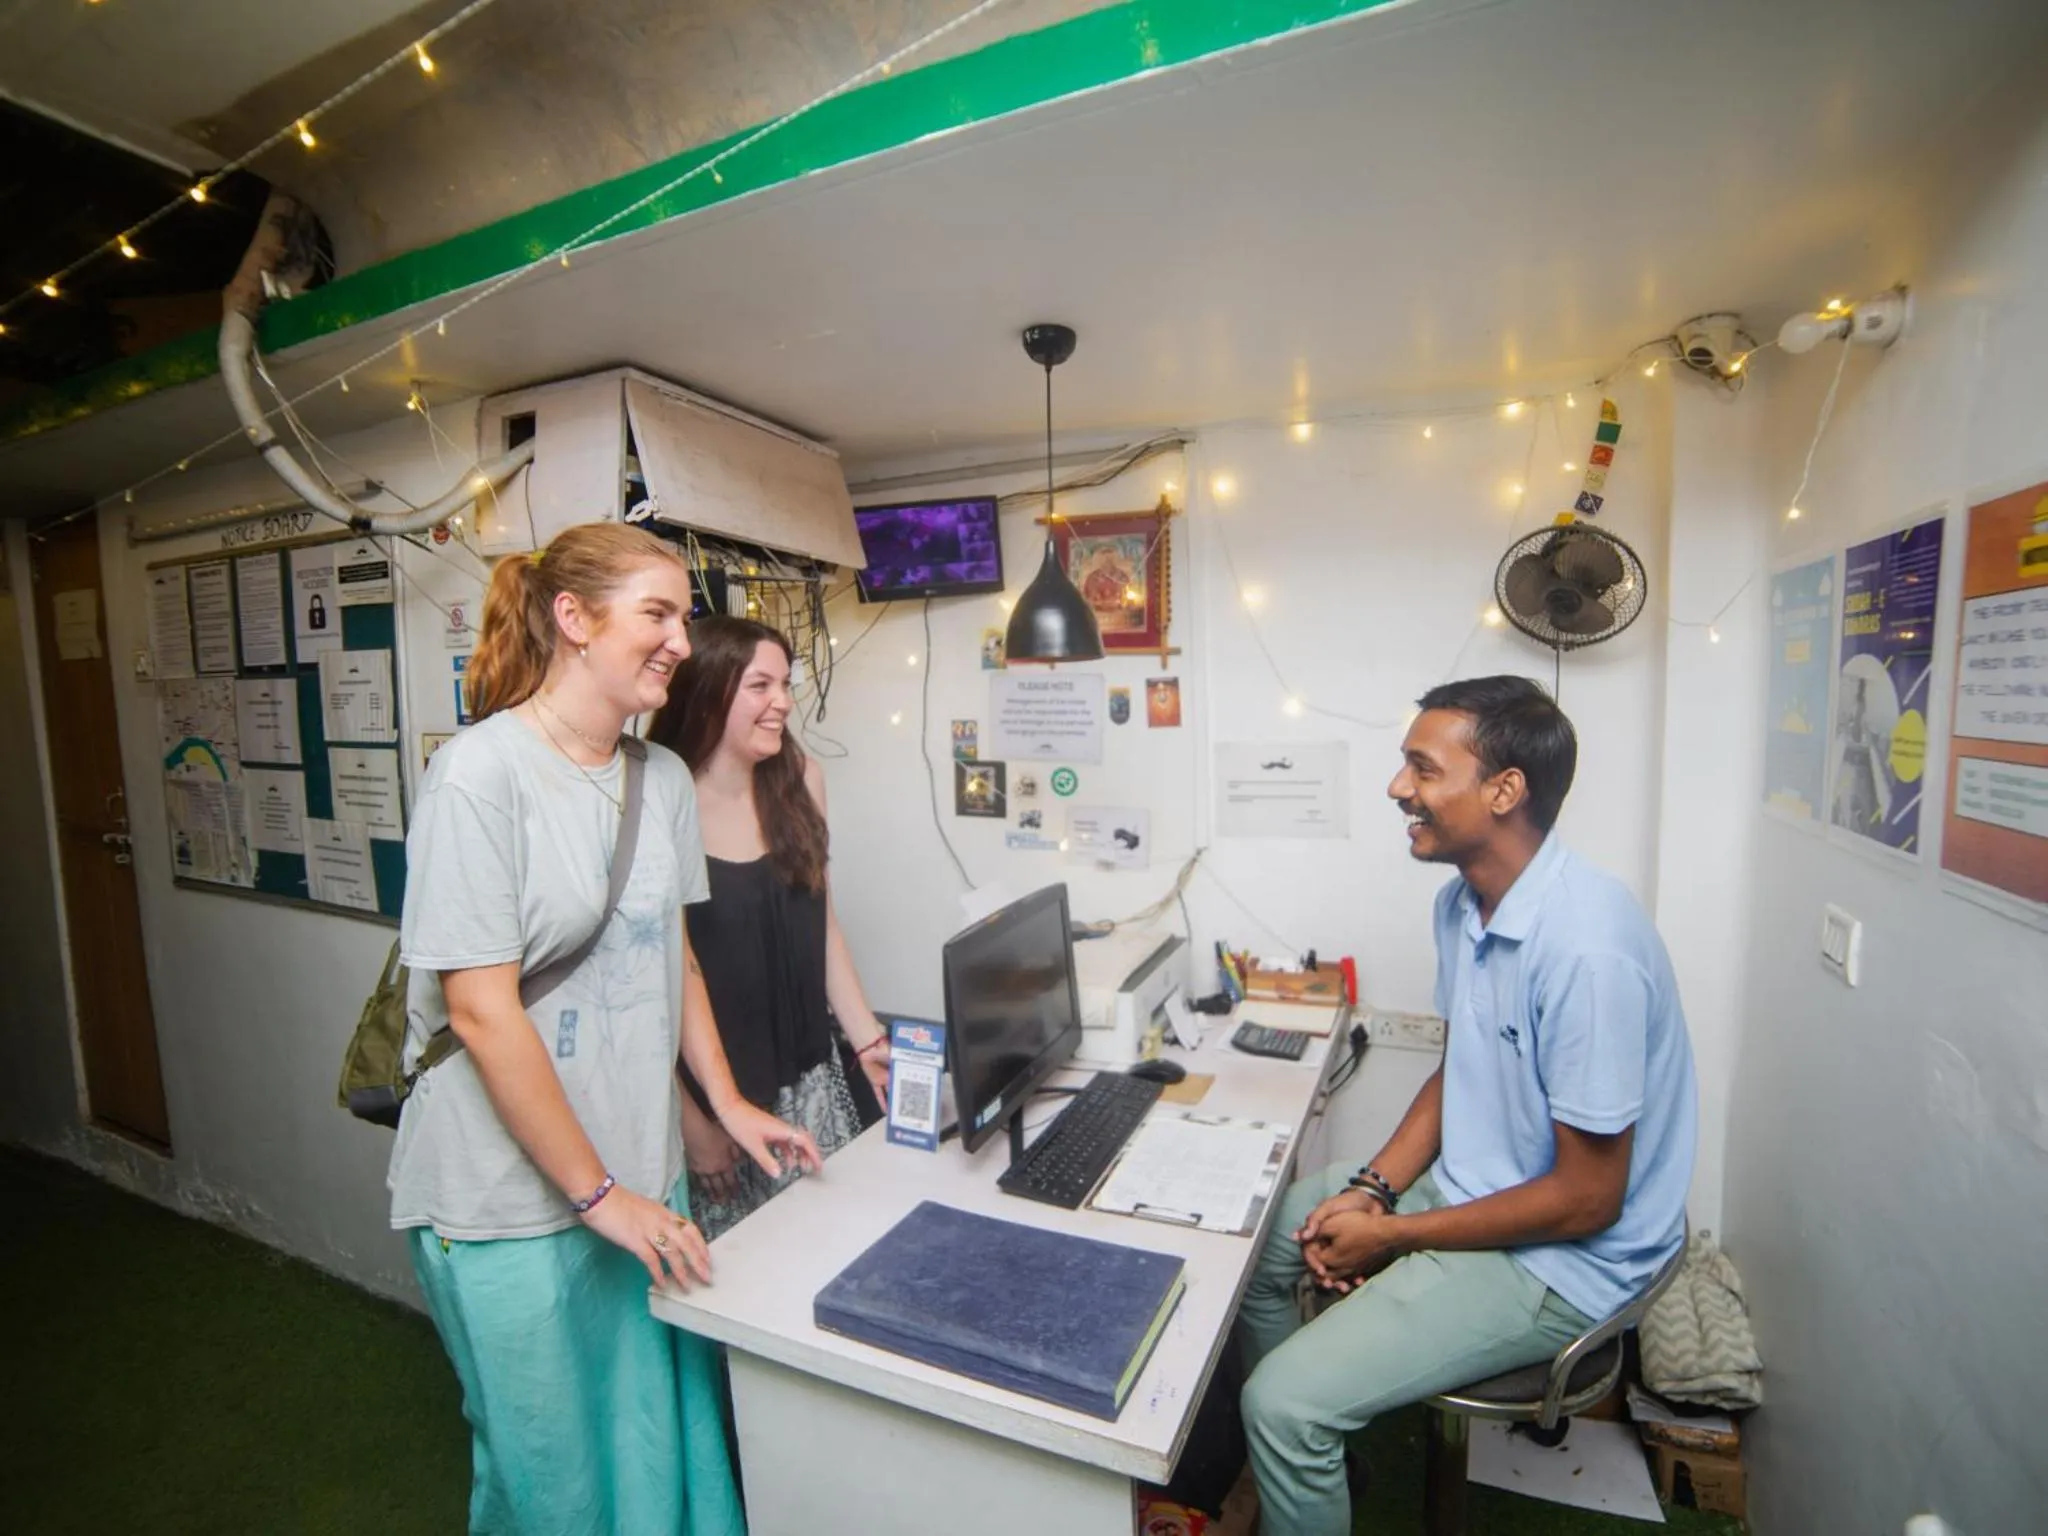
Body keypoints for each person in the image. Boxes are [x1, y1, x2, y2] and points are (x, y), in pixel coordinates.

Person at [389, 523, 823, 1536]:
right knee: (552, 1471)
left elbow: (671, 955)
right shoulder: (477, 777)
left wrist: (726, 1103)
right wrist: (598, 1197)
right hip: (512, 1196)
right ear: (573, 621)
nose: (679, 639)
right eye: (656, 614)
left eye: (684, 615)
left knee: (653, 1437)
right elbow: (479, 1008)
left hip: (641, 1167)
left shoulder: (656, 780)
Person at [1237, 675, 1696, 1536]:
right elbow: (1465, 1069)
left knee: (1282, 1404)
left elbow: (1588, 1199)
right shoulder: (1465, 902)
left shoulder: (1588, 950)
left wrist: (1395, 1235)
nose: (1397, 788)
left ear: (1503, 790)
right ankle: (1310, 1473)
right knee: (1267, 1245)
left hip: (1565, 1260)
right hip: (1475, 1189)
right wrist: (1373, 1188)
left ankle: (1297, 1435)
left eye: (1421, 768)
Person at [648, 615, 892, 1241]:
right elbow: (645, 988)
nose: (782, 702)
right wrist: (694, 1125)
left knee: (835, 1250)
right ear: (706, 690)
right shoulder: (654, 804)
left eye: (785, 684)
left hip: (811, 1080)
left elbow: (822, 925)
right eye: (760, 686)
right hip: (716, 1102)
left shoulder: (800, 779)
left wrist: (869, 1046)